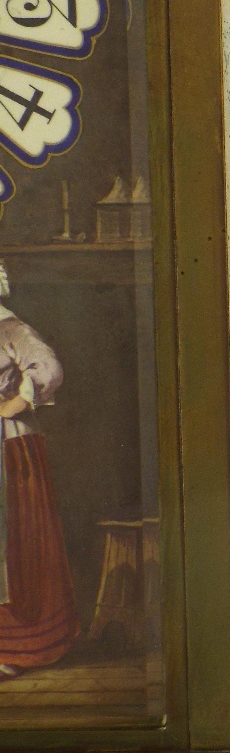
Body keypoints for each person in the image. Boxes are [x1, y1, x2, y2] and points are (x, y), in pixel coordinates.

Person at [0, 263, 78, 682]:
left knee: (13, 545)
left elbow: (46, 369)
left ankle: (18, 645)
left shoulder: (10, 328)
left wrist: (11, 404)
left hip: (8, 448)